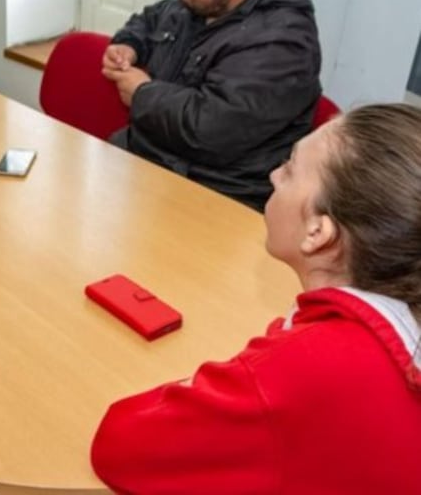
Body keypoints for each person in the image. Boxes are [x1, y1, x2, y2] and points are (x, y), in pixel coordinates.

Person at [90, 103, 421, 493]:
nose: (273, 175)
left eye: (290, 168)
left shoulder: (312, 364)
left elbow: (122, 444)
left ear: (318, 234)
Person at [102, 0, 321, 210]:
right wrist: (129, 45)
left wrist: (141, 93)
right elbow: (149, 21)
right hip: (151, 167)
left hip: (214, 197)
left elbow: (209, 130)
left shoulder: (283, 43)